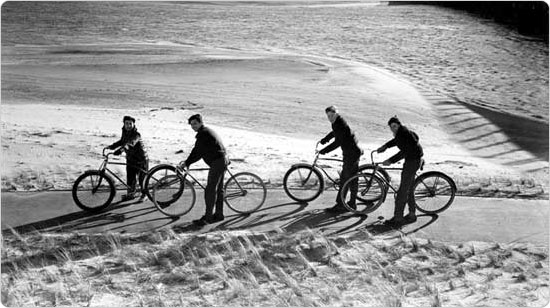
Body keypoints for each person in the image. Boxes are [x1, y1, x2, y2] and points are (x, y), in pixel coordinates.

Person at [377, 116, 423, 227]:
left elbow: (404, 152)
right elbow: (396, 141)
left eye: (395, 126)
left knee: (402, 192)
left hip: (412, 162)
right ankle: (412, 214)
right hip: (413, 160)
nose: (393, 129)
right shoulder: (402, 132)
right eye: (391, 127)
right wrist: (386, 146)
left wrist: (390, 160)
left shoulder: (404, 134)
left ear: (399, 125)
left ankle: (398, 218)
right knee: (409, 189)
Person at [182, 114, 228, 226]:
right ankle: (219, 215)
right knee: (219, 190)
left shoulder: (203, 134)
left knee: (210, 190)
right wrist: (188, 162)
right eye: (191, 124)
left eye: (195, 123)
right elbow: (198, 151)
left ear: (201, 123)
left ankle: (208, 218)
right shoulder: (206, 131)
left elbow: (197, 152)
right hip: (223, 160)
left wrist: (187, 162)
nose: (193, 126)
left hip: (218, 162)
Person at [318, 106, 362, 213]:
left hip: (351, 154)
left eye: (331, 115)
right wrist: (325, 139)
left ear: (336, 113)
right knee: (352, 178)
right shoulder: (337, 122)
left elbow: (338, 142)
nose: (330, 118)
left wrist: (325, 150)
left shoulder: (340, 123)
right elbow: (335, 133)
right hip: (352, 152)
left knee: (345, 179)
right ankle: (352, 203)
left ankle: (341, 205)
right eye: (328, 116)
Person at [107, 115, 149, 202]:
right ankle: (131, 194)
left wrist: (121, 149)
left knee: (142, 179)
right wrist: (112, 146)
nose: (128, 125)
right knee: (130, 178)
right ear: (124, 124)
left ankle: (145, 195)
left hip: (141, 159)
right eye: (127, 123)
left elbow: (131, 143)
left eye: (130, 124)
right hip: (131, 159)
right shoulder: (125, 133)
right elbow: (122, 141)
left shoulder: (137, 134)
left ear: (134, 124)